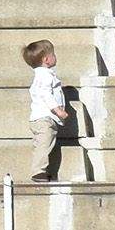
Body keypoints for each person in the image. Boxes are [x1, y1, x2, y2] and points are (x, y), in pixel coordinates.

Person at [22, 39, 69, 182]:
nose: (56, 56)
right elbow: (45, 94)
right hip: (45, 119)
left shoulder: (41, 75)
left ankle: (44, 170)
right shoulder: (45, 75)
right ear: (47, 59)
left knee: (43, 144)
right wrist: (58, 110)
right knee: (44, 144)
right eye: (53, 54)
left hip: (39, 118)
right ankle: (38, 171)